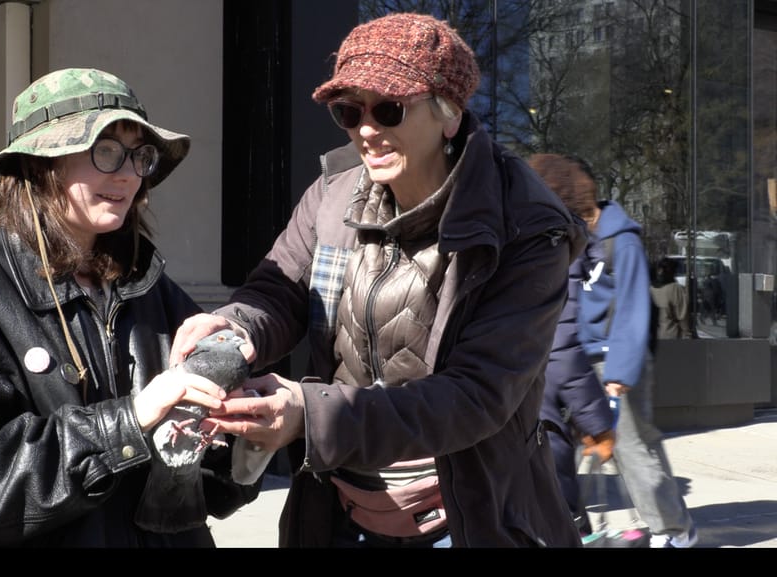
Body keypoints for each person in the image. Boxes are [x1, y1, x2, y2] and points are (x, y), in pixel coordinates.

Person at [170, 13, 585, 548]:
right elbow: (277, 293)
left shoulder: (525, 225)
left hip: (468, 516)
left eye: (389, 109)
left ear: (449, 114)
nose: (366, 130)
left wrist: (309, 415)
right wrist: (235, 328)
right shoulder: (333, 195)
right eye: (350, 110)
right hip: (340, 511)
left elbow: (477, 396)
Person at [0, 68, 260, 548]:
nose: (128, 173)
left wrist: (244, 435)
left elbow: (205, 491)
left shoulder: (148, 285)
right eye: (105, 150)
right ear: (41, 164)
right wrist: (128, 422)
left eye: (140, 155)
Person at [543, 154, 698, 548]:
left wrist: (619, 373)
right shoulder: (571, 237)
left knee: (631, 447)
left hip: (614, 361)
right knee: (559, 447)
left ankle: (673, 530)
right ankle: (573, 528)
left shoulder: (621, 240)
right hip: (574, 360)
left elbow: (633, 307)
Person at [526, 154, 616, 538]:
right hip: (536, 416)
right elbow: (562, 350)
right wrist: (599, 425)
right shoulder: (556, 245)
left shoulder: (510, 234)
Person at [651, 256, 692, 339]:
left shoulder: (650, 288)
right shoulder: (675, 288)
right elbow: (682, 315)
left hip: (654, 336)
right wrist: (687, 333)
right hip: (671, 335)